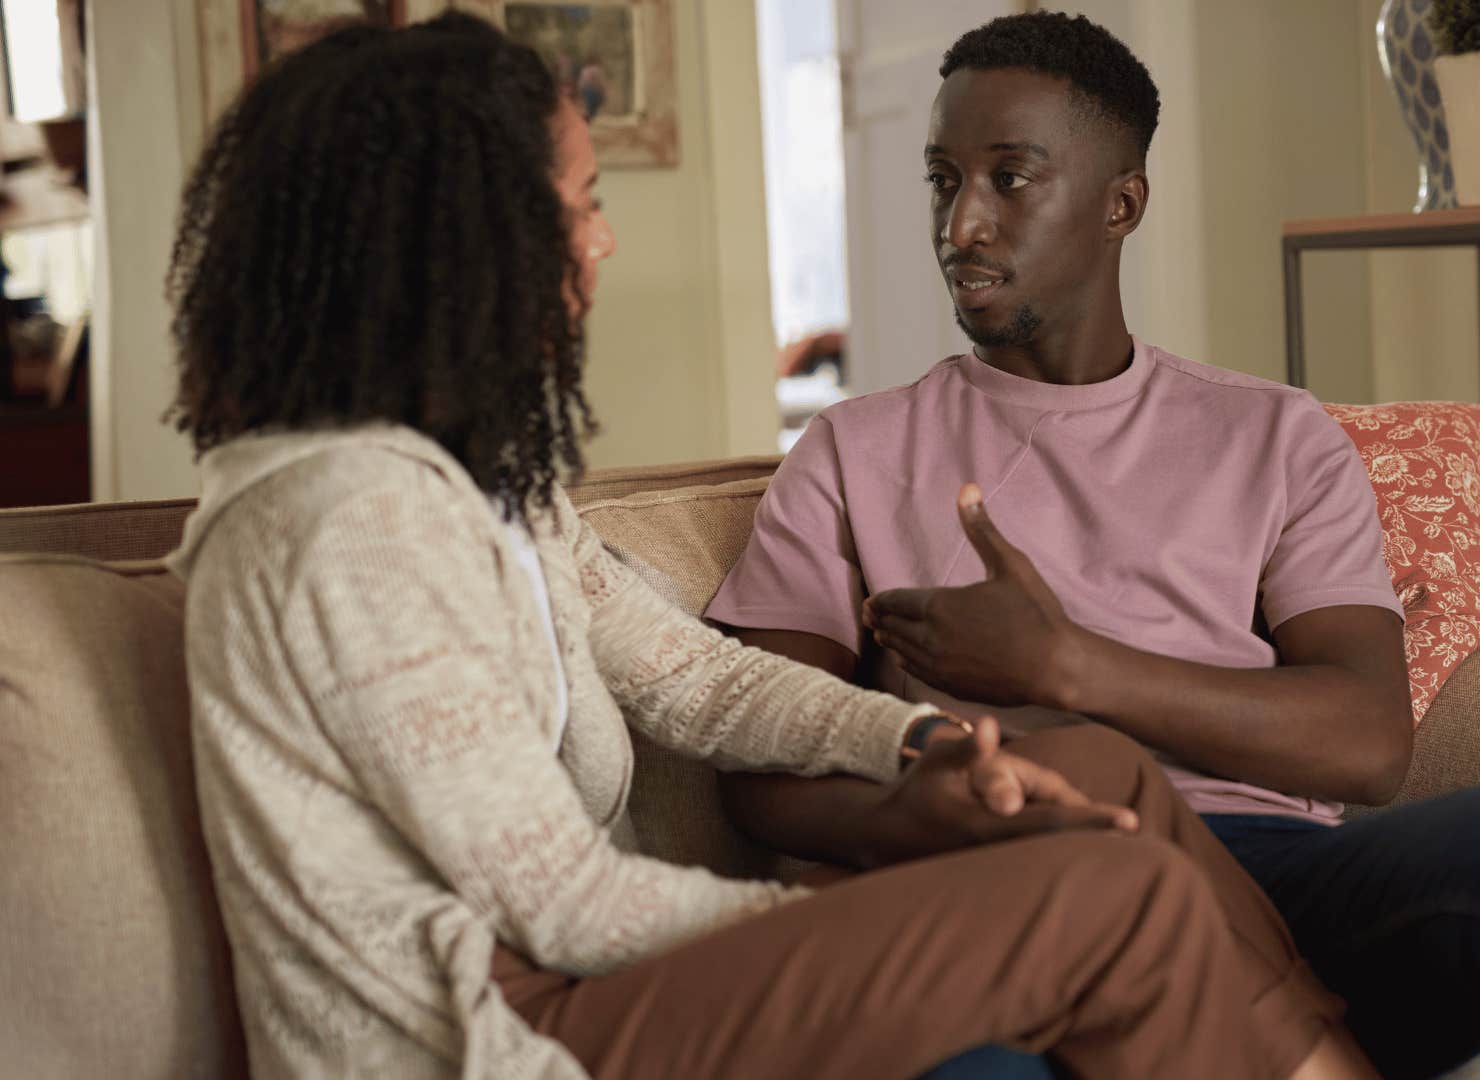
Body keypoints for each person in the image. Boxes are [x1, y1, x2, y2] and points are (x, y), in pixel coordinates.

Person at [162, 13, 1376, 1080]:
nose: (601, 244)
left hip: (585, 982)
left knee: (1097, 780)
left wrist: (926, 740)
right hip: (498, 1030)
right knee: (1105, 894)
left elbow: (697, 677)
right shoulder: (344, 526)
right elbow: (562, 904)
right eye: (579, 206)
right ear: (459, 240)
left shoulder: (486, 492)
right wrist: (857, 920)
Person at [707, 12, 1480, 1080]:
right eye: (941, 179)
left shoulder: (1275, 434)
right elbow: (759, 770)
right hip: (1006, 888)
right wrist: (942, 807)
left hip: (1272, 881)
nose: (961, 225)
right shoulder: (850, 453)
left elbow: (1367, 743)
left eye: (1010, 179)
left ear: (1120, 204)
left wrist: (1068, 668)